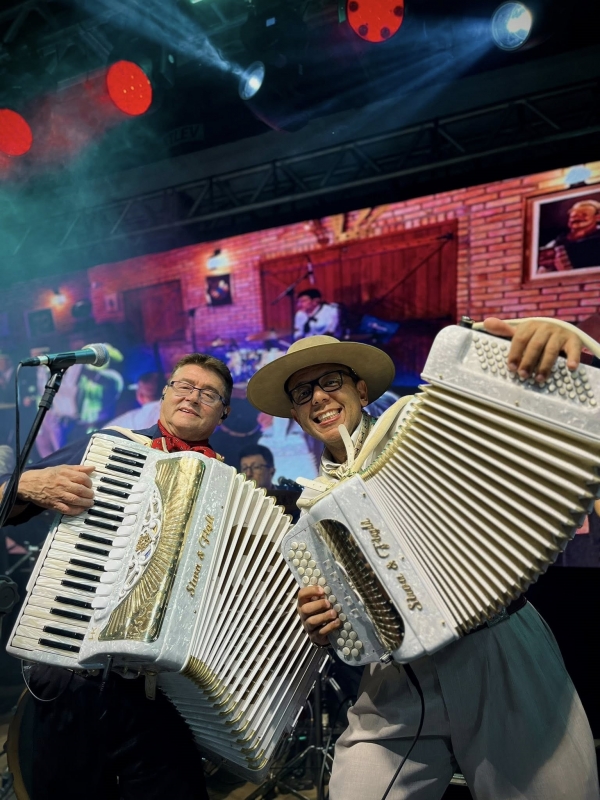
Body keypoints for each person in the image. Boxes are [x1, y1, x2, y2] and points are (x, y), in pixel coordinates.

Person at [246, 319, 599, 800]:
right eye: (303, 391)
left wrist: (552, 341)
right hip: (396, 679)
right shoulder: (312, 508)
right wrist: (326, 622)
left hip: (496, 645)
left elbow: (520, 427)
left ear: (361, 388)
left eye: (331, 381)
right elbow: (347, 620)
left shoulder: (420, 425)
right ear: (295, 412)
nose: (319, 398)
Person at [0, 352, 232, 800]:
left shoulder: (230, 484)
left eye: (209, 393)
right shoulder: (110, 446)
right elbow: (11, 490)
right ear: (164, 395)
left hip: (166, 694)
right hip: (74, 671)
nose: (193, 397)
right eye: (183, 385)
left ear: (223, 412)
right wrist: (30, 484)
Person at [538, 199, 600, 272]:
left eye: (584, 214)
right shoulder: (556, 242)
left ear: (597, 217)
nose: (577, 218)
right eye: (573, 216)